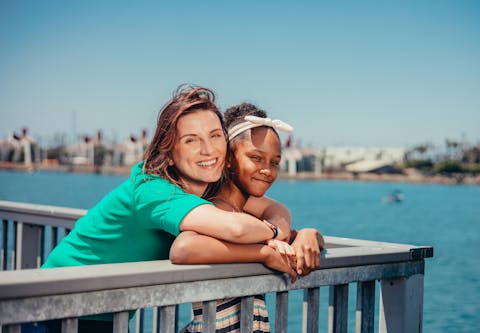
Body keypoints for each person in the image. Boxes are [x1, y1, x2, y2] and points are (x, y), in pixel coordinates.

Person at [38, 86, 294, 333]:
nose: (208, 149)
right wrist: (267, 247)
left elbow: (270, 206)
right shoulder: (153, 190)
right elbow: (236, 228)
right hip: (53, 309)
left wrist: (302, 235)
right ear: (169, 154)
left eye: (215, 135)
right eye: (191, 140)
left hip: (105, 311)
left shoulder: (204, 185)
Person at [171, 103, 324, 333]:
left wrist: (308, 234)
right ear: (229, 159)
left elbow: (288, 235)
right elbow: (183, 248)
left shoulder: (246, 218)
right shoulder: (216, 213)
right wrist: (263, 254)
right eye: (256, 158)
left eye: (274, 162)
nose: (267, 170)